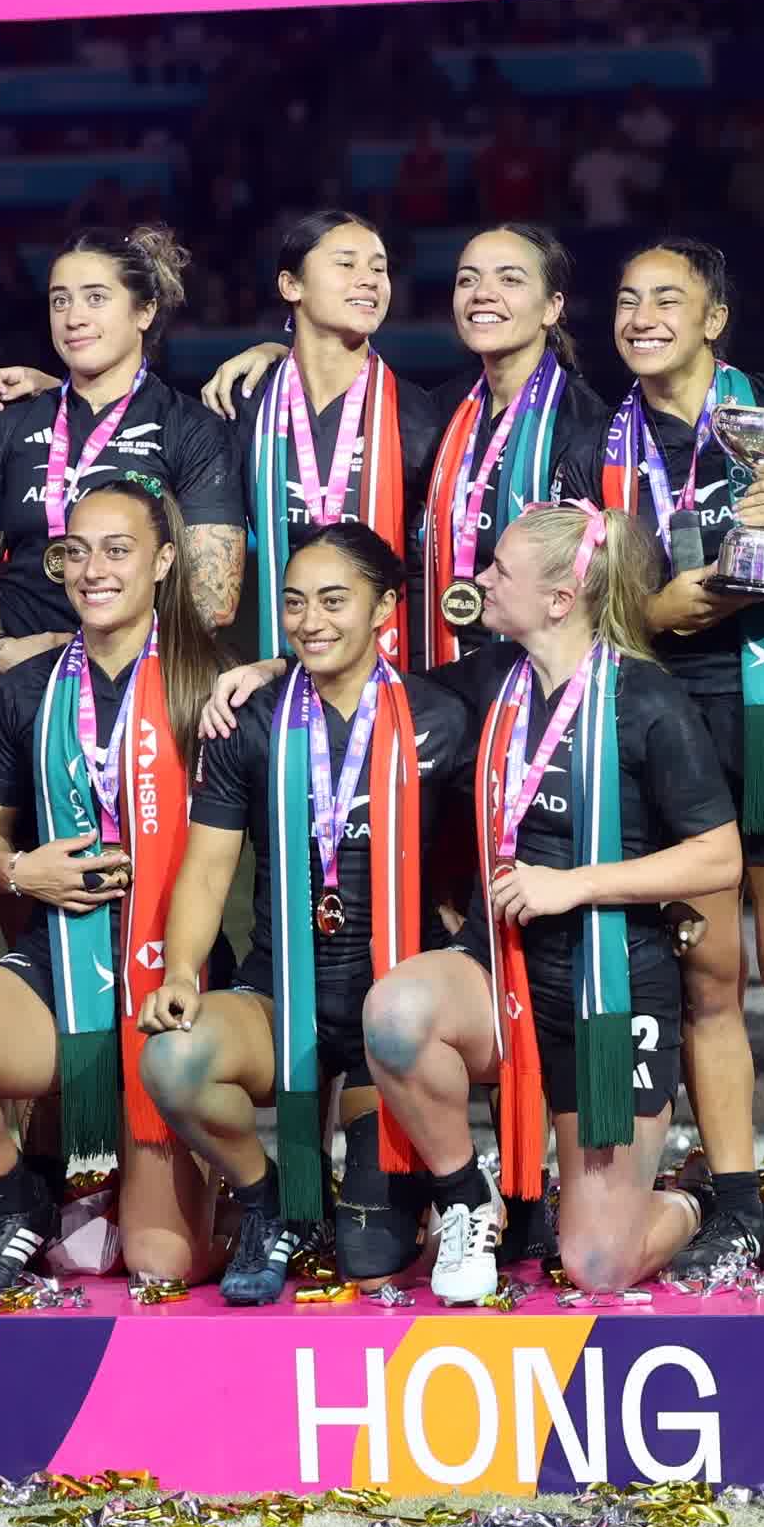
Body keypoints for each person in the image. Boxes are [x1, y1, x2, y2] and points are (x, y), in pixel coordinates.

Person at [362, 505, 744, 1303]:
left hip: (608, 994)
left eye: (500, 569)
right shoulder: (491, 680)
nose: (481, 579)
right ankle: (467, 1198)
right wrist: (267, 674)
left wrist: (575, 884)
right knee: (395, 1014)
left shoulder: (648, 700)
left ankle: (694, 1197)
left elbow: (719, 857)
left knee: (599, 1266)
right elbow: (375, 692)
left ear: (561, 600)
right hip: (499, 974)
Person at [576, 240, 764, 1282]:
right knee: (710, 976)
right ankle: (737, 1202)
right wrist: (649, 613)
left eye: (670, 298)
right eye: (627, 298)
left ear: (714, 319)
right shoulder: (592, 444)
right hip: (663, 721)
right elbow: (574, 603)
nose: (644, 316)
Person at [0, 476, 231, 1299]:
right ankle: (15, 1192)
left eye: (117, 550)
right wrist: (19, 870)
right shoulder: (27, 687)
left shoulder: (213, 685)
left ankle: (237, 1193)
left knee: (161, 1263)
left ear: (165, 561)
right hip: (59, 964)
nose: (92, 570)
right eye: (76, 552)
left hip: (177, 972)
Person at [141, 525, 480, 1301]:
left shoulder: (443, 716)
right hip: (279, 996)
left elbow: (479, 855)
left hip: (388, 1018)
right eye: (294, 603)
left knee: (370, 1260)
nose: (310, 621)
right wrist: (183, 972)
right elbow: (207, 870)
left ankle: (432, 1192)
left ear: (385, 608)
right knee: (172, 1061)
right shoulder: (251, 721)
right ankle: (268, 1202)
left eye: (333, 601)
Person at [0, 225, 245, 684]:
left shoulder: (192, 430)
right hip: (18, 678)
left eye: (96, 298)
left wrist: (113, 659)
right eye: (60, 301)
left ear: (144, 311)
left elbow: (213, 596)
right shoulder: (8, 426)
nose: (73, 318)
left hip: (139, 681)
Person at [200, 208, 450, 667]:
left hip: (391, 666)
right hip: (275, 660)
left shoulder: (420, 418)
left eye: (379, 268)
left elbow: (424, 571)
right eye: (346, 263)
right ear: (290, 285)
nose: (369, 279)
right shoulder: (243, 405)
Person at [410, 223, 607, 663]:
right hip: (435, 661)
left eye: (510, 279)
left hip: (535, 672)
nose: (482, 293)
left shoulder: (585, 424)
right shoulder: (437, 409)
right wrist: (275, 355)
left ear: (552, 308)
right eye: (468, 279)